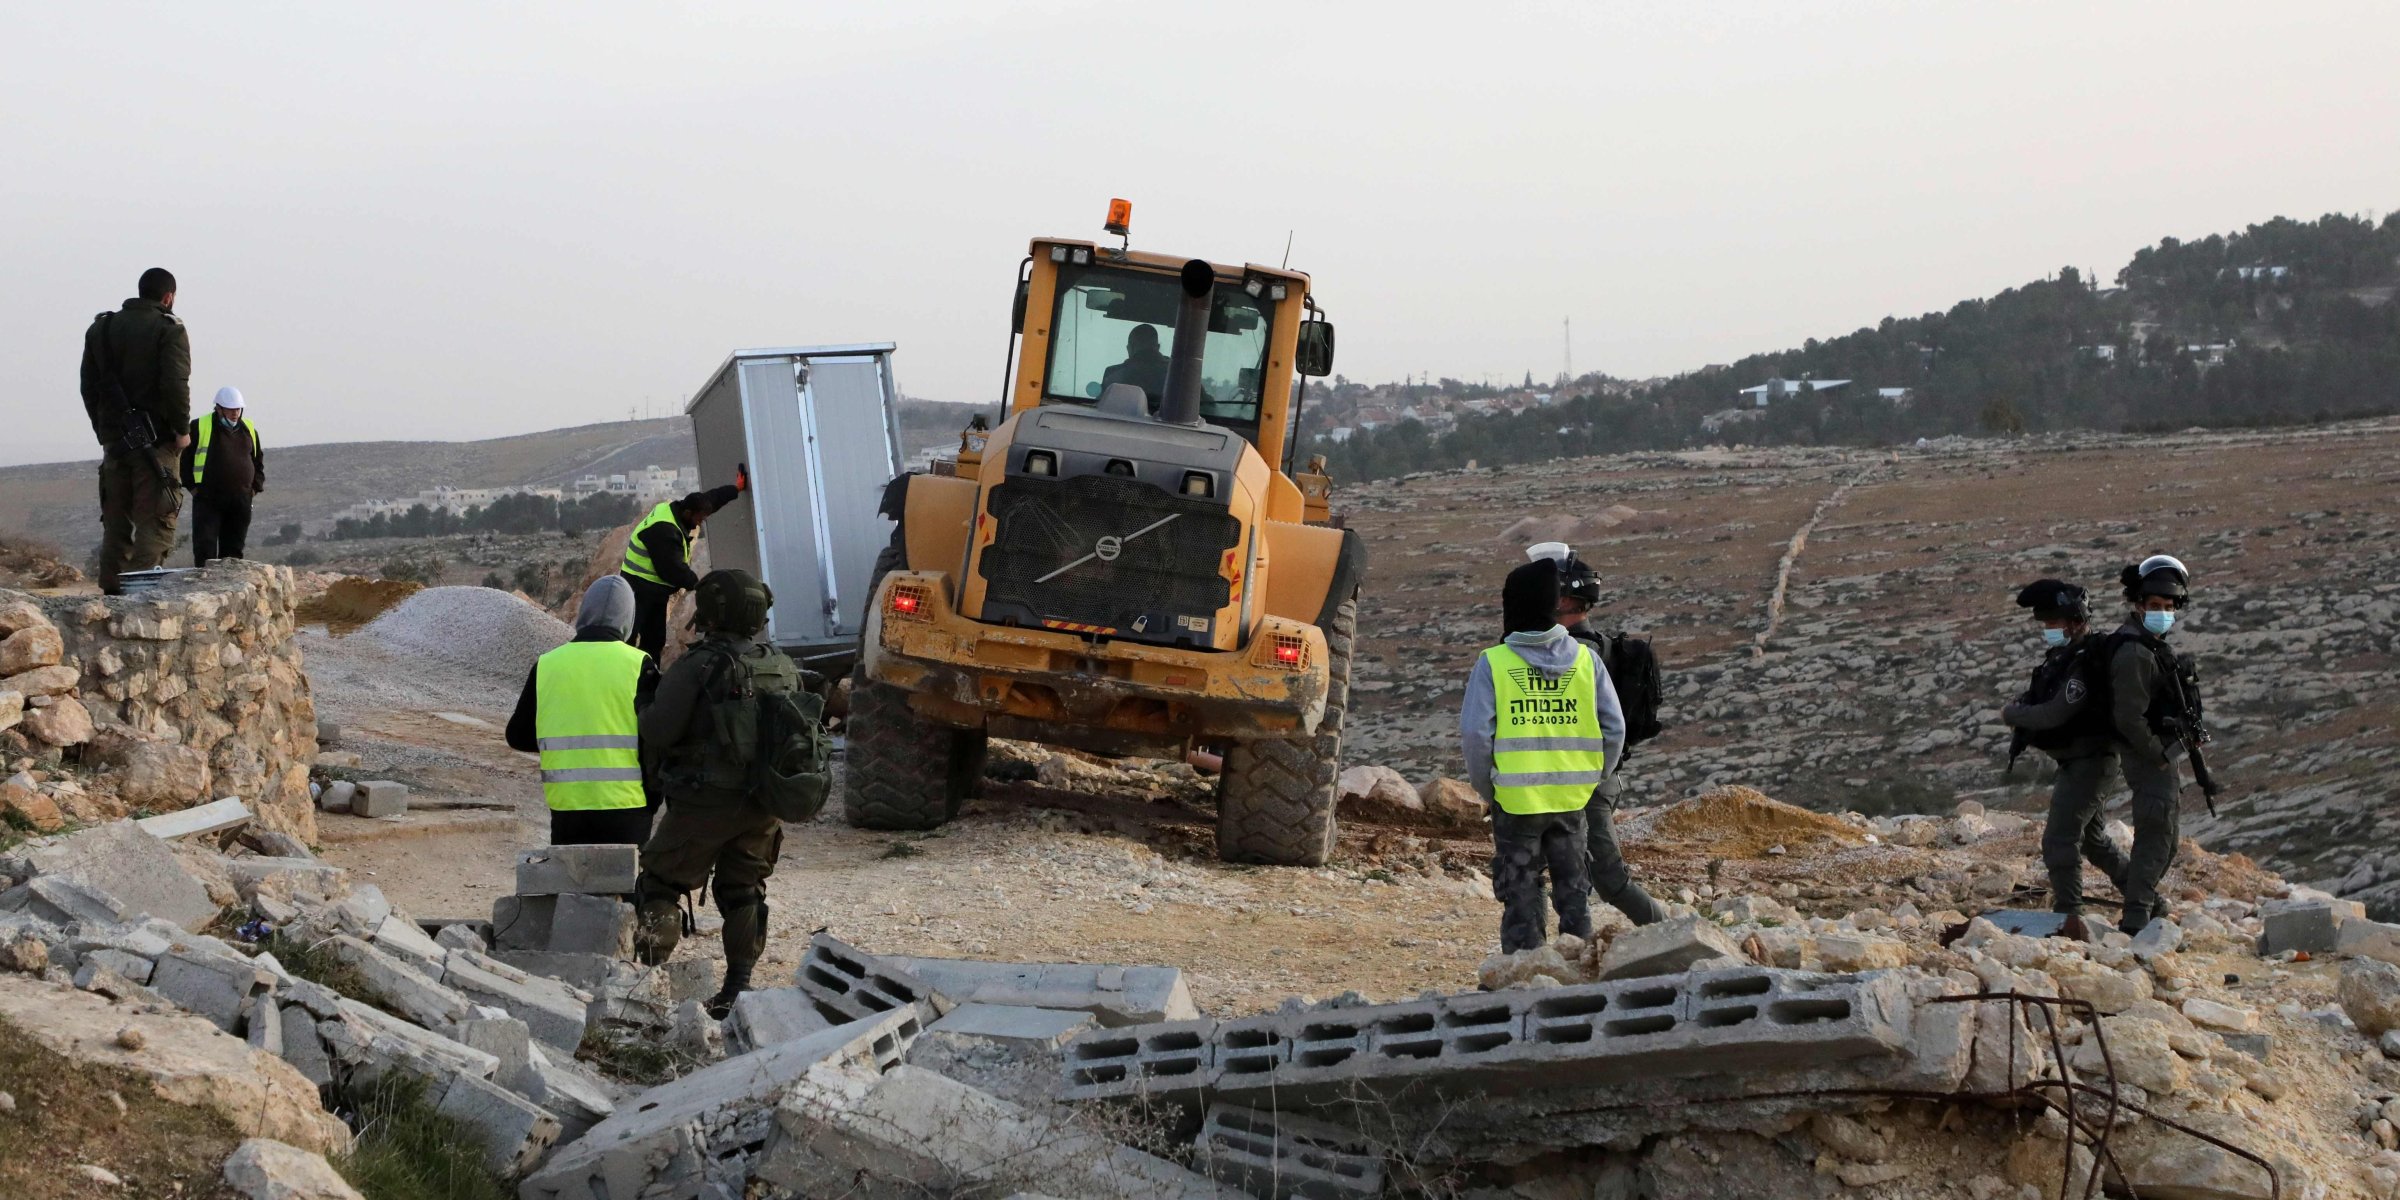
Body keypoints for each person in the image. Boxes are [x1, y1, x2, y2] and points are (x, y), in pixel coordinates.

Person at [634, 569, 828, 1017]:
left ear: (713, 612)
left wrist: (644, 697)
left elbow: (660, 729)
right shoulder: (780, 664)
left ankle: (642, 986)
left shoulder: (700, 664)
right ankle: (737, 989)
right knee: (743, 889)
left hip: (703, 800)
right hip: (762, 801)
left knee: (660, 882)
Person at [1460, 557, 1626, 953]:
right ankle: (1581, 970)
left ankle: (1525, 977)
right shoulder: (1586, 661)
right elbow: (1614, 728)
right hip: (1571, 801)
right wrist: (1592, 778)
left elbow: (1475, 735)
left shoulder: (1494, 662)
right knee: (1574, 894)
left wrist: (1491, 789)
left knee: (1520, 894)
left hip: (1517, 804)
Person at [1533, 544, 1664, 926]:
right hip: (1577, 779)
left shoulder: (1575, 655)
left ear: (1566, 598)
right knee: (1554, 875)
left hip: (1586, 784)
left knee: (1608, 878)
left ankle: (1675, 940)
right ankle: (1546, 959)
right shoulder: (1595, 648)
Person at [2001, 579, 2127, 935]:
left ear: (2074, 621)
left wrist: (2012, 715)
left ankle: (2069, 914)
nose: (2048, 630)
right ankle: (2146, 901)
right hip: (2082, 761)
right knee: (2094, 841)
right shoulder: (2066, 658)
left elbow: (2055, 714)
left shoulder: (2085, 665)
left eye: (2052, 623)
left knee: (2059, 839)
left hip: (2091, 762)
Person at [507, 577, 661, 846]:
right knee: (627, 884)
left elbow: (518, 736)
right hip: (628, 807)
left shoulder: (547, 664)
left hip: (568, 808)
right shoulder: (640, 664)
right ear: (628, 619)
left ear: (584, 613)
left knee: (571, 882)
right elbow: (658, 735)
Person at [80, 267, 192, 594]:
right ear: (168, 297)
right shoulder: (168, 329)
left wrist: (105, 432)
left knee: (115, 525)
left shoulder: (101, 329)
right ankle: (138, 598)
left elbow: (89, 389)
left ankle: (111, 597)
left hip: (115, 444)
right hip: (156, 444)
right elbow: (175, 384)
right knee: (155, 523)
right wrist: (181, 431)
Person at [2104, 555, 2198, 936]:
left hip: (2156, 754)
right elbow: (2129, 718)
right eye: (2155, 607)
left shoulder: (2151, 645)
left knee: (2166, 839)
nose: (2162, 613)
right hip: (2147, 757)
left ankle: (2144, 909)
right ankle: (2136, 919)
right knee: (2156, 836)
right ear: (2139, 605)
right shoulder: (2135, 651)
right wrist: (2159, 754)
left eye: (2168, 607)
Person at [619, 484, 743, 659]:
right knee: (629, 637)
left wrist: (735, 489)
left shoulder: (677, 508)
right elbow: (674, 571)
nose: (700, 523)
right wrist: (703, 586)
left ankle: (649, 677)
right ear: (687, 514)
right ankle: (625, 676)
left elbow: (710, 499)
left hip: (655, 589)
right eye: (699, 519)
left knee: (655, 639)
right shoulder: (665, 531)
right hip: (637, 587)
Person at [180, 387, 265, 566]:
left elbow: (257, 461)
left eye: (238, 409)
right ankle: (205, 588)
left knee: (233, 552)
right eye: (230, 409)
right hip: (208, 499)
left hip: (240, 500)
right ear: (219, 408)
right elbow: (185, 460)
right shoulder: (199, 427)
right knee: (206, 549)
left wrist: (254, 488)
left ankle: (230, 589)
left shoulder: (249, 429)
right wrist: (193, 488)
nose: (235, 413)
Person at [1101, 323, 1170, 409]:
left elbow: (1101, 407)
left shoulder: (1112, 377)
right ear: (1158, 347)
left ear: (1130, 348)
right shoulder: (1178, 376)